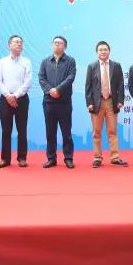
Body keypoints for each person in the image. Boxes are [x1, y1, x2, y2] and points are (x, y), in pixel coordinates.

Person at [85, 41, 128, 168]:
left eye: (105, 49)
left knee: (112, 131)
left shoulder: (116, 66)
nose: (103, 52)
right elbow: (88, 86)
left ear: (109, 51)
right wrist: (89, 102)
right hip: (96, 103)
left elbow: (120, 84)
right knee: (96, 132)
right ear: (97, 52)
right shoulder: (92, 66)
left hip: (111, 102)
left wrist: (120, 100)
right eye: (100, 50)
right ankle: (97, 158)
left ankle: (115, 157)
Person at [39, 36, 76, 169]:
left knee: (66, 133)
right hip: (49, 102)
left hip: (64, 102)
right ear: (52, 45)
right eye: (55, 43)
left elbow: (70, 77)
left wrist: (58, 90)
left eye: (60, 43)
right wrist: (50, 90)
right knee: (50, 132)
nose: (57, 45)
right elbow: (41, 78)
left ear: (65, 46)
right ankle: (51, 158)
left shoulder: (70, 61)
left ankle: (68, 158)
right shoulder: (45, 62)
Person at [0, 34, 32, 167]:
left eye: (21, 42)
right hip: (5, 99)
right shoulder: (2, 62)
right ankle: (5, 159)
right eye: (16, 42)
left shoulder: (26, 61)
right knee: (6, 130)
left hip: (22, 99)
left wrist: (15, 96)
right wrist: (8, 95)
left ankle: (22, 157)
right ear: (9, 45)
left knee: (22, 129)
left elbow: (28, 82)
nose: (19, 44)